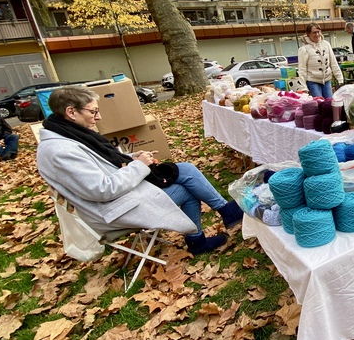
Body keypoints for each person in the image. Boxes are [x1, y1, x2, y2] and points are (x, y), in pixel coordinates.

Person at [36, 85, 243, 255]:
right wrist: (138, 166)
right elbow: (101, 189)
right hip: (111, 211)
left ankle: (221, 216)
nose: (98, 118)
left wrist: (132, 158)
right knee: (187, 188)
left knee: (183, 170)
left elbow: (104, 164)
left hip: (118, 199)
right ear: (71, 112)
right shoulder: (60, 150)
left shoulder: (69, 134)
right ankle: (210, 229)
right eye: (93, 111)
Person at [298, 23, 344, 98]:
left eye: (318, 31)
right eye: (314, 32)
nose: (317, 34)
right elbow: (302, 69)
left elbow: (333, 63)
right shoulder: (304, 49)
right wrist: (303, 87)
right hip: (313, 82)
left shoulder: (326, 45)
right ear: (308, 34)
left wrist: (340, 78)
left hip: (327, 80)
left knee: (329, 103)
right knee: (319, 103)